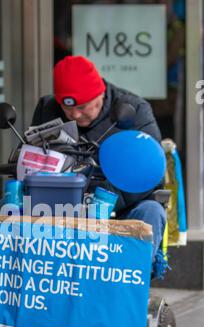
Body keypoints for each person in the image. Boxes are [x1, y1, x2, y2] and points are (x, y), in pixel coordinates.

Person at [31, 55, 166, 260]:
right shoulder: (48, 108)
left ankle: (131, 286)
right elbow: (32, 159)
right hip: (60, 210)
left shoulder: (134, 110)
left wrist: (98, 204)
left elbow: (148, 172)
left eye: (82, 107)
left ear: (100, 93)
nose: (74, 115)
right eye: (67, 108)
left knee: (152, 211)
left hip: (121, 208)